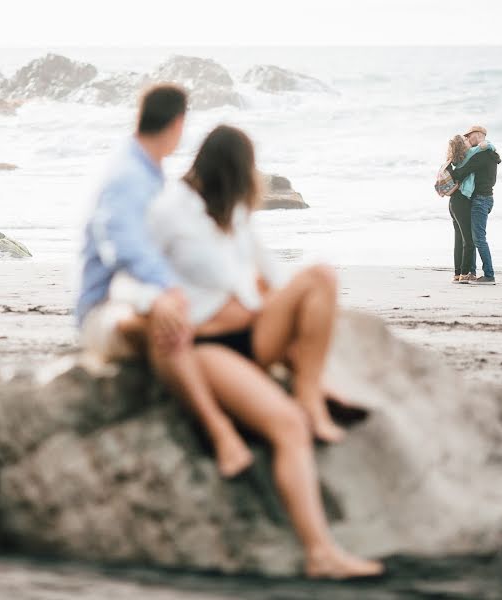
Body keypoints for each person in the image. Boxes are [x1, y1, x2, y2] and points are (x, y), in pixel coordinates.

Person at [115, 125, 384, 579]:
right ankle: (320, 552)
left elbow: (271, 274)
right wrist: (156, 302)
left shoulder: (232, 210)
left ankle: (311, 394)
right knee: (288, 428)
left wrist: (294, 337)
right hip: (205, 346)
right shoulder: (167, 211)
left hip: (255, 333)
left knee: (320, 275)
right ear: (226, 171)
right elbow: (128, 277)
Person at [76, 84, 254, 478]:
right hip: (105, 309)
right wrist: (166, 290)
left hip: (135, 302)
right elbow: (119, 246)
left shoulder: (148, 173)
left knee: (230, 313)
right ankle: (218, 430)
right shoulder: (129, 176)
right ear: (178, 123)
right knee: (173, 321)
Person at [448, 125, 501, 285]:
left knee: (477, 238)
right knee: (471, 237)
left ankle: (488, 275)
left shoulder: (483, 153)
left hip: (481, 199)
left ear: (478, 135)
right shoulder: (484, 152)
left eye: (469, 136)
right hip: (480, 198)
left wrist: (451, 174)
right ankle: (470, 272)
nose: (468, 139)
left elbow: (464, 170)